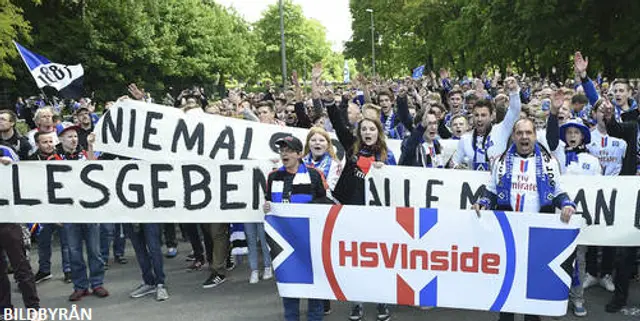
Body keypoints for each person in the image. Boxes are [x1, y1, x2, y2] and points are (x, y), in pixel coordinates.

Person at [473, 118, 576, 321]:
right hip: (508, 231)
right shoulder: (501, 161)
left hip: (536, 233)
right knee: (508, 279)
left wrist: (566, 204)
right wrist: (483, 202)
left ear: (535, 136)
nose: (524, 137)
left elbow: (556, 190)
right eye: (520, 133)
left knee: (533, 282)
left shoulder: (549, 162)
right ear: (513, 136)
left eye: (528, 133)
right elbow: (492, 190)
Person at [263, 135, 329, 321]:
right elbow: (269, 201)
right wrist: (267, 206)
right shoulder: (274, 176)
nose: (285, 153)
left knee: (314, 286)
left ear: (299, 154)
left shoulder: (314, 174)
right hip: (284, 244)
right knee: (289, 287)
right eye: (282, 150)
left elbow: (324, 202)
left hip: (310, 239)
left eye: (289, 150)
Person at [0, 144, 41, 317]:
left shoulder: (4, 151)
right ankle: (4, 309)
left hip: (9, 219)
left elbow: (20, 177)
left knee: (21, 266)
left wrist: (9, 166)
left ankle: (33, 308)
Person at [454, 77, 522, 170]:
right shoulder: (465, 139)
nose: (479, 119)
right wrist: (457, 167)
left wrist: (514, 92)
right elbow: (454, 162)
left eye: (483, 115)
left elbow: (514, 111)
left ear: (492, 116)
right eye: (476, 115)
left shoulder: (502, 129)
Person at [124, 222, 169, 302]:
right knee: (139, 249)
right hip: (129, 216)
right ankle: (149, 282)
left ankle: (160, 284)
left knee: (154, 248)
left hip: (148, 215)